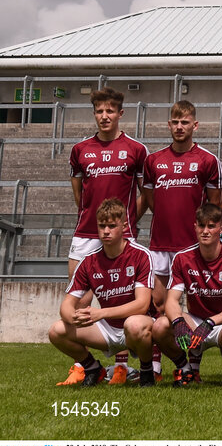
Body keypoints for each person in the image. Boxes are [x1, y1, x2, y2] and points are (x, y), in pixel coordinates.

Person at [67, 87, 148, 384]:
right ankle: (84, 366)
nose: (104, 116)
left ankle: (123, 366)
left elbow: (145, 195)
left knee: (121, 298)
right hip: (85, 233)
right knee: (77, 303)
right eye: (99, 111)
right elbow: (79, 192)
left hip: (123, 236)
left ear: (120, 114)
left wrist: (126, 223)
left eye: (110, 111)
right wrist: (92, 216)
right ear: (94, 114)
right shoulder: (80, 150)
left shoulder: (136, 150)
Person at [142, 100, 222, 378]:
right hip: (161, 244)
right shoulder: (153, 160)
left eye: (185, 122)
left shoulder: (208, 160)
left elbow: (214, 205)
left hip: (192, 246)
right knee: (158, 306)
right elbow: (151, 198)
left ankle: (195, 364)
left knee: (195, 306)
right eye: (175, 122)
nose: (179, 127)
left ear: (195, 125)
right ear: (169, 125)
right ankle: (158, 365)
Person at [49, 199, 156, 387]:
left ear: (124, 226)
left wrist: (101, 313)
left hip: (136, 326)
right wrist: (73, 318)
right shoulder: (89, 261)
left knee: (134, 324)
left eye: (112, 226)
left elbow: (142, 305)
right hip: (106, 329)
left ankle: (146, 371)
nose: (106, 231)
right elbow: (67, 304)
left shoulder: (141, 255)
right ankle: (92, 369)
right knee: (56, 331)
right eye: (102, 226)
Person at [154, 203, 222, 387]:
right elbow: (172, 300)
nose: (205, 231)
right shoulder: (182, 258)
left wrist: (211, 321)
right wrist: (178, 322)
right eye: (201, 225)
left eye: (211, 226)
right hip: (195, 320)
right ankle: (186, 368)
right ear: (195, 227)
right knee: (159, 326)